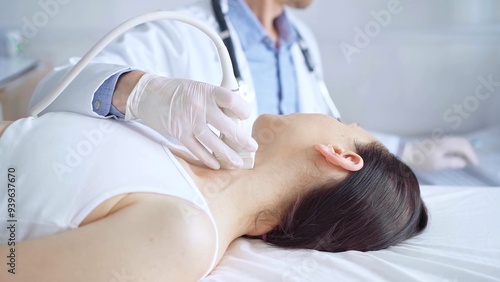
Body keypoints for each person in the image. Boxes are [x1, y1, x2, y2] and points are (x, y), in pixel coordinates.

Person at [29, 0, 478, 171]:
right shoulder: (185, 31)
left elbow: (326, 124)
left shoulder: (300, 42)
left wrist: (404, 150)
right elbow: (48, 91)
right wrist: (140, 91)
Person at [0, 112, 428, 281]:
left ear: (340, 156)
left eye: (339, 120)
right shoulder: (184, 148)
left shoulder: (184, 236)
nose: (322, 112)